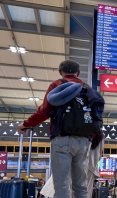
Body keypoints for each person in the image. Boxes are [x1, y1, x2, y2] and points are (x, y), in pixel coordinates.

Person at [17, 60, 105, 198]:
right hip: (84, 142)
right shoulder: (88, 89)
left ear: (61, 72)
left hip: (62, 139)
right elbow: (97, 116)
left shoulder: (57, 85)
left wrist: (26, 124)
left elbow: (44, 111)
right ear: (78, 73)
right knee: (80, 185)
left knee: (62, 184)